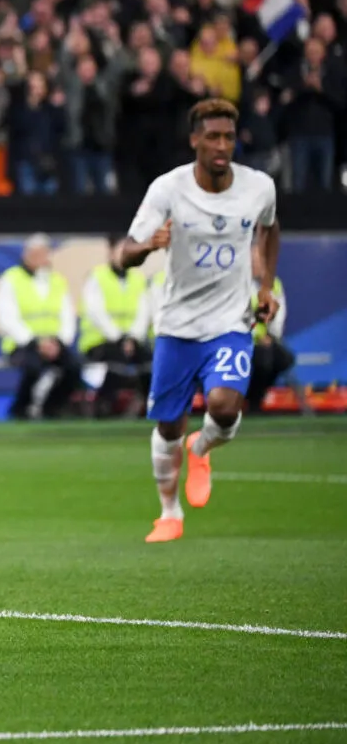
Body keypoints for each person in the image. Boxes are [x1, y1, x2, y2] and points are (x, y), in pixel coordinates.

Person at [116, 98, 279, 543]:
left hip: (230, 321)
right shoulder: (168, 190)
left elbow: (270, 227)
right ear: (194, 141)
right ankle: (169, 513)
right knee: (168, 424)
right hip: (177, 326)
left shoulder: (259, 187)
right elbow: (123, 254)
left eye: (228, 136)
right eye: (212, 136)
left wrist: (265, 287)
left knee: (225, 407)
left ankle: (202, 446)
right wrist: (148, 245)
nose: (222, 145)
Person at [0, 233, 81, 419]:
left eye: (44, 253)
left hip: (55, 344)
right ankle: (20, 409)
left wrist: (58, 342)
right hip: (22, 344)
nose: (40, 258)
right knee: (33, 366)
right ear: (26, 254)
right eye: (36, 254)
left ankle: (52, 408)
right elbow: (7, 318)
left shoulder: (57, 281)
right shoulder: (10, 279)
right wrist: (37, 342)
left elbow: (67, 315)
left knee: (74, 367)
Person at [79, 234, 154, 416]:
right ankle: (104, 408)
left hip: (132, 341)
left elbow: (144, 312)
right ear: (110, 251)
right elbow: (96, 313)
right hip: (100, 342)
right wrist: (119, 338)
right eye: (120, 249)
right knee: (116, 363)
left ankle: (146, 408)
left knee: (151, 362)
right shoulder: (97, 277)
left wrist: (132, 338)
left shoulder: (138, 279)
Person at [246, 246, 293, 412]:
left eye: (258, 259)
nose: (255, 263)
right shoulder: (239, 284)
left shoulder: (274, 284)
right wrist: (255, 335)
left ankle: (256, 397)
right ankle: (249, 400)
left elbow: (279, 315)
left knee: (284, 358)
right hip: (243, 339)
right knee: (263, 358)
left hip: (267, 339)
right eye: (252, 259)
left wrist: (271, 336)